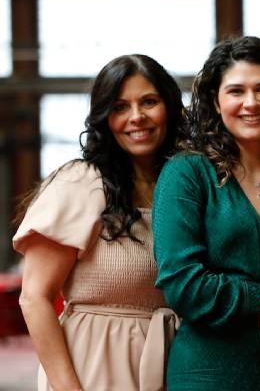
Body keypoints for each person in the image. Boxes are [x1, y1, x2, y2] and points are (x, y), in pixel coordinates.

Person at [151, 36, 260, 390]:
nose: (251, 103)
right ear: (216, 100)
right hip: (209, 375)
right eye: (236, 91)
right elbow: (185, 286)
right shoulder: (187, 174)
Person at [15, 54, 185, 391]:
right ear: (105, 117)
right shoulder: (81, 182)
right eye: (120, 107)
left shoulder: (184, 184)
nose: (137, 117)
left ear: (169, 107)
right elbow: (33, 298)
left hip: (172, 364)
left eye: (149, 102)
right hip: (94, 366)